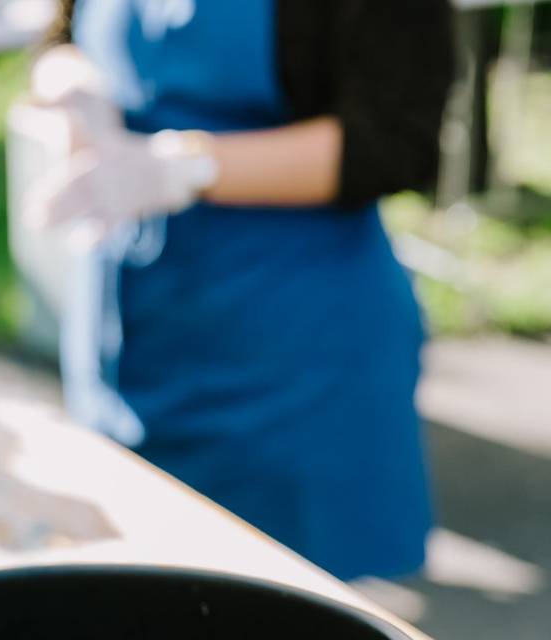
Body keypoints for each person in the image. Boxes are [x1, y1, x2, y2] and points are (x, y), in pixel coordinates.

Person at [26, 0, 455, 581]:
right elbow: (63, 32)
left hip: (293, 350)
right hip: (131, 325)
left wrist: (182, 166)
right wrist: (76, 93)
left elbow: (395, 139)